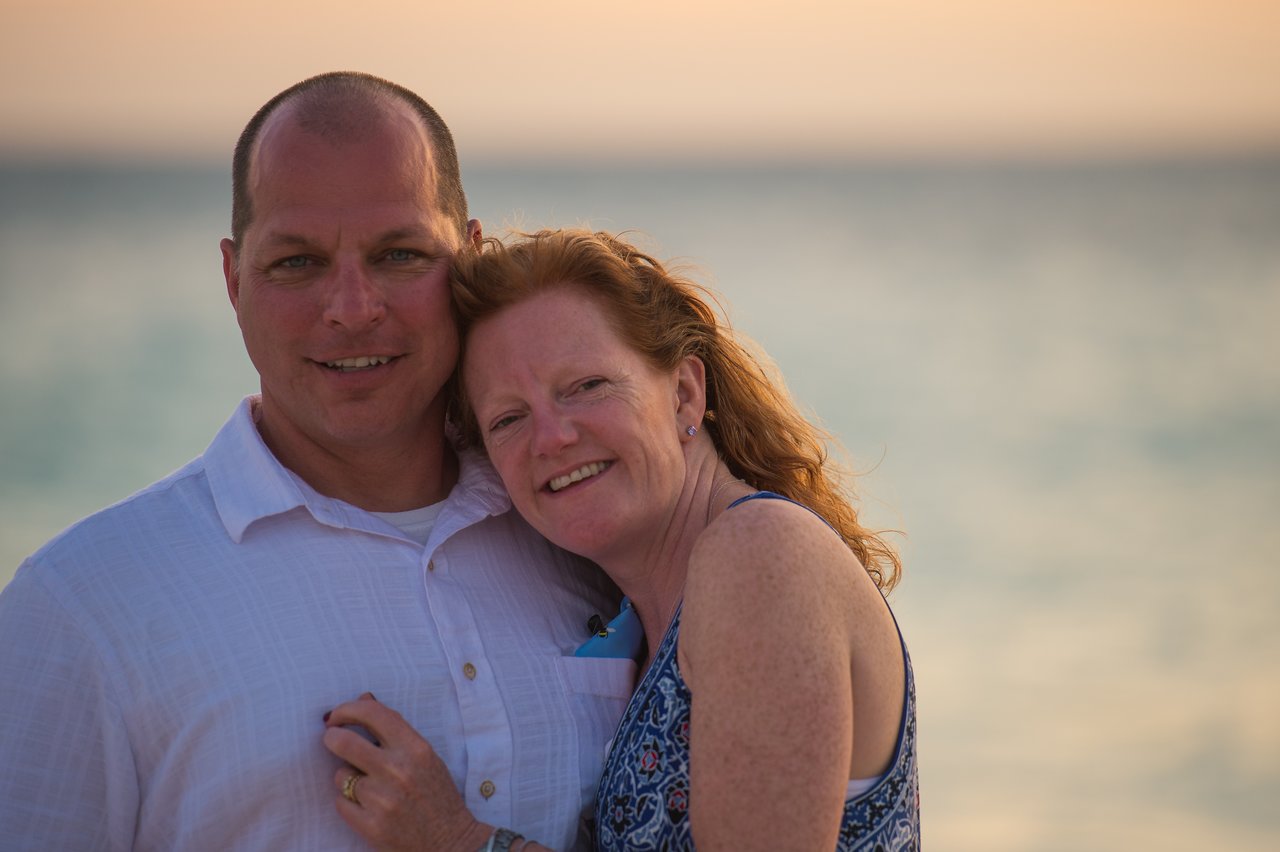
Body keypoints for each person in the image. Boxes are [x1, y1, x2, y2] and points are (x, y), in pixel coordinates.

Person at [0, 76, 631, 851]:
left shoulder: (582, 524)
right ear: (234, 282)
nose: (352, 307)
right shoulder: (82, 607)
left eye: (399, 254)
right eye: (297, 264)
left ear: (467, 258)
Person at [322, 229, 919, 850]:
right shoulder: (638, 619)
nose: (550, 438)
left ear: (684, 393)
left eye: (586, 386)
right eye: (508, 419)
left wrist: (458, 840)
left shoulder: (759, 551)